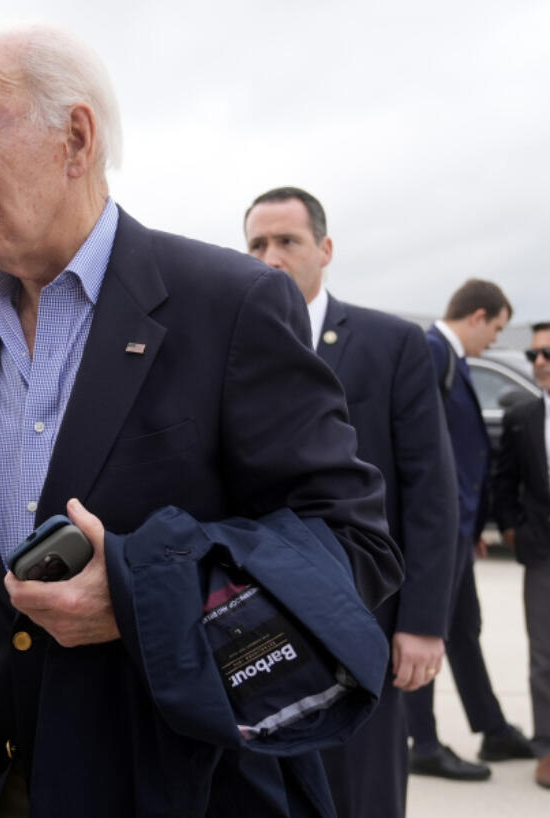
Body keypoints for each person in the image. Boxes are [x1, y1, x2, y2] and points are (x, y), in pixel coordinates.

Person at [0, 25, 400, 818]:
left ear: (76, 138)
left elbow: (356, 545)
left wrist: (147, 594)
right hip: (0, 785)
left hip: (186, 787)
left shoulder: (231, 302)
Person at [243, 186, 457, 817]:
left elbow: (430, 493)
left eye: (288, 241)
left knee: (363, 793)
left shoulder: (392, 345)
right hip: (257, 627)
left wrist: (422, 623)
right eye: (257, 244)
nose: (272, 256)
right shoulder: (232, 348)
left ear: (325, 249)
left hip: (369, 617)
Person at [407, 279, 535, 779]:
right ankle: (424, 743)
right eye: (497, 329)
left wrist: (472, 522)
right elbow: (420, 447)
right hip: (437, 530)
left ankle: (494, 731)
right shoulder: (430, 353)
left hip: (457, 528)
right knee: (424, 632)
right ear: (477, 316)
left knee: (463, 631)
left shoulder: (453, 359)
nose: (495, 341)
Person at [492, 321, 550, 790]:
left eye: (547, 353)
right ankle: (548, 748)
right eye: (534, 356)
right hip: (544, 554)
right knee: (545, 655)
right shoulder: (524, 416)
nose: (540, 363)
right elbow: (505, 481)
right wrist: (514, 528)